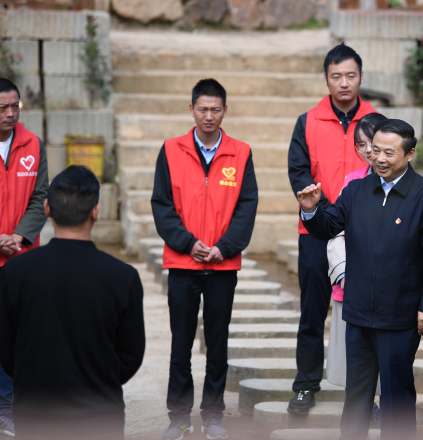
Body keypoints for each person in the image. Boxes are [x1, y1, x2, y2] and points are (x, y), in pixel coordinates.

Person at [297, 119, 423, 440]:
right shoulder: (356, 190)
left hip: (399, 315)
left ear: (410, 154)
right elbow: (329, 226)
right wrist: (311, 211)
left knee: (396, 395)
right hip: (358, 313)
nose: (379, 158)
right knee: (356, 394)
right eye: (375, 150)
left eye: (389, 152)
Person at [0, 165, 145, 440]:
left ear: (46, 208)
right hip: (100, 417)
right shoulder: (123, 277)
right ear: (96, 211)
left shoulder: (15, 273)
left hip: (34, 416)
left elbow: (7, 351)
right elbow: (131, 355)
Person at [151, 79, 258, 440]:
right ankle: (179, 417)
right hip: (183, 263)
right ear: (192, 109)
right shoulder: (171, 150)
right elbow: (162, 204)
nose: (208, 116)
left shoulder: (240, 153)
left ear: (225, 110)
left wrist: (224, 247)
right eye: (202, 109)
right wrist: (187, 243)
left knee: (218, 341)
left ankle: (213, 415)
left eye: (215, 109)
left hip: (222, 265)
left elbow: (246, 206)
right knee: (180, 342)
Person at [287, 43, 378, 414]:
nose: (344, 83)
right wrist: (328, 215)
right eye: (336, 76)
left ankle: (365, 394)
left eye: (350, 75)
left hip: (367, 235)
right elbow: (298, 172)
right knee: (312, 310)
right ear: (325, 78)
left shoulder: (376, 121)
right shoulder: (308, 121)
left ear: (361, 77)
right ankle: (306, 385)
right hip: (315, 231)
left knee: (366, 314)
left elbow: (388, 168)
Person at [326, 113, 387, 419]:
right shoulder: (352, 182)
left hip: (388, 290)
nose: (367, 150)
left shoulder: (411, 187)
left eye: (372, 142)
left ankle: (385, 406)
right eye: (360, 144)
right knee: (354, 355)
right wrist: (345, 274)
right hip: (352, 286)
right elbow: (337, 233)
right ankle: (363, 407)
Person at [0, 77, 48, 437]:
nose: (10, 113)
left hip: (21, 257)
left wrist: (18, 236)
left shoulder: (33, 143)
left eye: (15, 106)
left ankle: (10, 406)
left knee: (16, 335)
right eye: (2, 107)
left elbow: (40, 196)